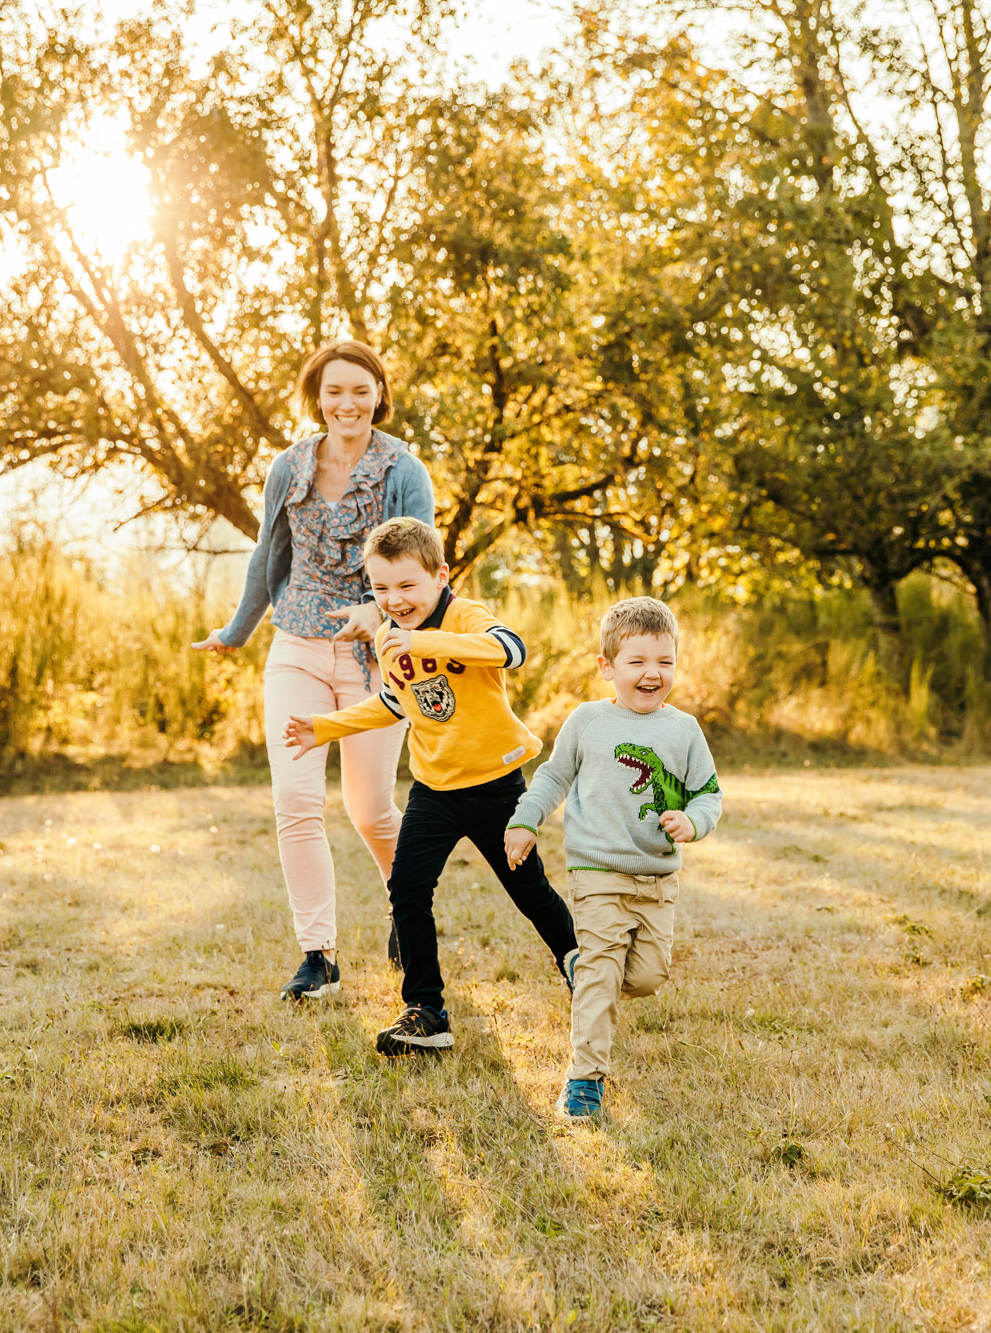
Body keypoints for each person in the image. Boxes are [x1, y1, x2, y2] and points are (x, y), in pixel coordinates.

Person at [192, 341, 435, 1003]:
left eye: (360, 390)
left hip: (374, 658)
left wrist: (377, 613)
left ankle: (405, 907)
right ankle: (318, 954)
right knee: (297, 803)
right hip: (296, 646)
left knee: (369, 808)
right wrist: (236, 631)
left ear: (379, 395)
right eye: (334, 391)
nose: (347, 403)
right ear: (318, 397)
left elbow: (422, 566)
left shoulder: (403, 469)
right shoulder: (288, 467)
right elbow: (267, 554)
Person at [282, 517, 579, 1056]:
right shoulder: (389, 636)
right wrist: (325, 726)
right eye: (381, 589)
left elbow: (510, 649)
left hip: (494, 787)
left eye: (406, 585)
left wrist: (422, 640)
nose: (394, 600)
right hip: (434, 792)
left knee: (528, 889)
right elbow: (396, 702)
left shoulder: (464, 616)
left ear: (441, 575)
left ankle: (577, 962)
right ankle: (426, 1012)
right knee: (407, 889)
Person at [505, 597, 722, 1120]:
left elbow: (708, 793)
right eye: (638, 662)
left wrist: (693, 821)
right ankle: (585, 1079)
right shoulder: (587, 721)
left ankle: (583, 965)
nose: (653, 674)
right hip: (597, 872)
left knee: (645, 978)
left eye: (664, 662)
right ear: (607, 667)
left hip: (656, 878)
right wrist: (525, 819)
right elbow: (554, 776)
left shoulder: (684, 730)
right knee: (604, 976)